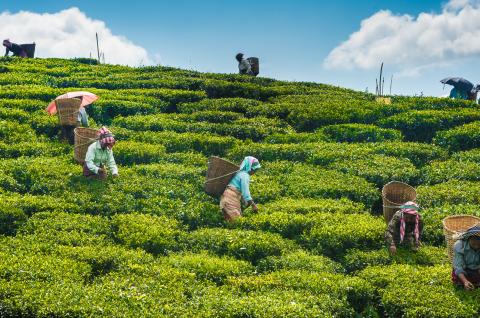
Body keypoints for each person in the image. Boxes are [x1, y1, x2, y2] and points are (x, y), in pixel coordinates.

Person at [220, 156, 261, 221]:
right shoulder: (245, 175)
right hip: (230, 200)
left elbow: (239, 191)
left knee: (231, 223)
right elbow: (246, 193)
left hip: (226, 199)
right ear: (249, 167)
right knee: (237, 222)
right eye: (254, 169)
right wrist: (253, 205)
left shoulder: (238, 173)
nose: (254, 172)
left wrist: (245, 203)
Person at [452, 225, 480, 290]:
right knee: (456, 274)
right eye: (474, 239)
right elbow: (458, 266)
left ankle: (475, 282)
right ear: (469, 238)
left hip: (476, 269)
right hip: (464, 269)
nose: (477, 242)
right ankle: (467, 282)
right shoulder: (459, 245)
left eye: (479, 239)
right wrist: (465, 282)